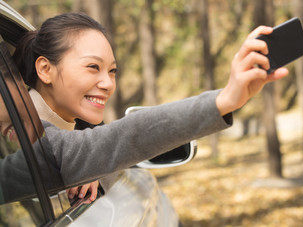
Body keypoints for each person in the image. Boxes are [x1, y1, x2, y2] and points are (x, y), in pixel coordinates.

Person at [11, 12, 288, 199]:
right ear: (45, 70)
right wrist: (224, 100)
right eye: (93, 67)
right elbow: (131, 134)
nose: (107, 83)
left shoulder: (67, 139)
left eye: (112, 71)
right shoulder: (22, 137)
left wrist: (91, 165)